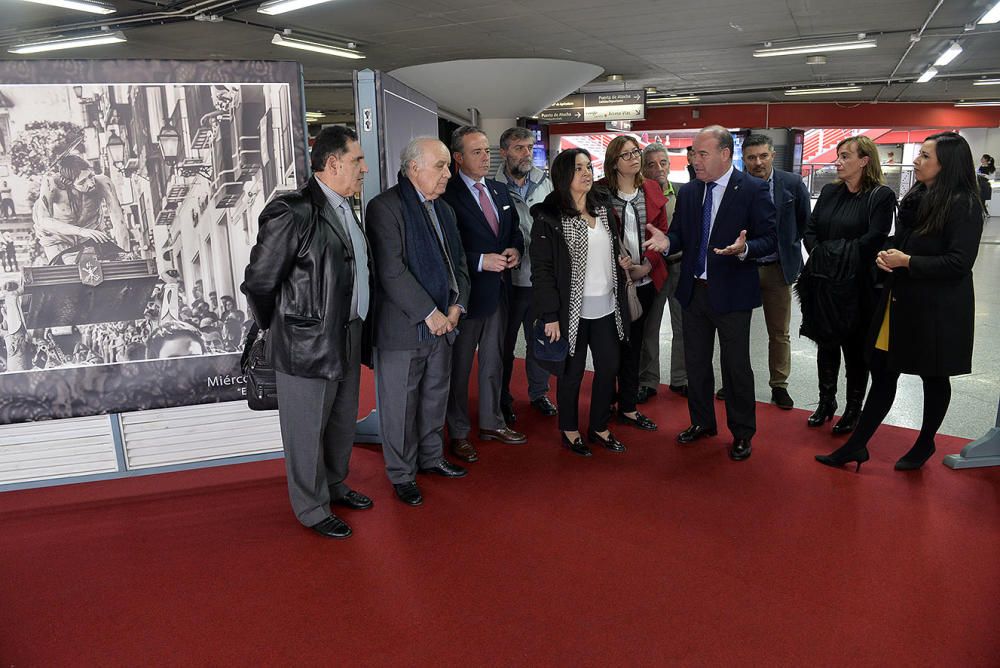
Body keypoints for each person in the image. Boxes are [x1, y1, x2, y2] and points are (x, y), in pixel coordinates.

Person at [816, 132, 984, 471]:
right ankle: (857, 445)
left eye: (925, 156)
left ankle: (925, 442)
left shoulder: (964, 204)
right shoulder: (918, 195)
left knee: (933, 376)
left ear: (946, 165)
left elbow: (959, 262)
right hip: (901, 300)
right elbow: (906, 240)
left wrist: (907, 261)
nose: (917, 161)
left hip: (937, 308)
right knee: (883, 370)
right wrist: (888, 253)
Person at [242, 125, 374, 540]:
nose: (364, 168)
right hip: (306, 343)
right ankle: (312, 508)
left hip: (349, 334)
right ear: (333, 163)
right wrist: (283, 326)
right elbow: (260, 282)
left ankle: (334, 485)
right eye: (357, 160)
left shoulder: (344, 206)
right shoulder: (293, 210)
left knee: (339, 420)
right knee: (305, 429)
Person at [659, 125, 777, 461]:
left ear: (725, 154)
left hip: (733, 293)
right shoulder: (691, 191)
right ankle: (702, 423)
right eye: (693, 153)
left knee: (736, 366)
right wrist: (668, 242)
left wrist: (744, 249)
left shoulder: (752, 190)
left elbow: (769, 239)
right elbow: (679, 233)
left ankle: (742, 433)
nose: (694, 159)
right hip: (694, 291)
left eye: (702, 153)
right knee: (695, 363)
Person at [366, 137, 471, 507]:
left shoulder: (444, 209)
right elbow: (392, 271)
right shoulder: (384, 208)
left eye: (447, 166)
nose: (447, 174)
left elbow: (457, 263)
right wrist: (431, 313)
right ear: (414, 169)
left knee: (434, 397)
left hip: (445, 324)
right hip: (403, 329)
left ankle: (431, 457)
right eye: (439, 166)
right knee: (400, 405)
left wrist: (457, 306)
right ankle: (401, 473)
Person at [530, 148, 631, 456]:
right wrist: (550, 315)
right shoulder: (548, 218)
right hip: (569, 311)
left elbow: (611, 251)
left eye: (588, 167)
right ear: (563, 175)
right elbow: (542, 271)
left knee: (608, 367)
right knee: (571, 373)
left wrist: (621, 260)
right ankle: (570, 429)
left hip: (607, 308)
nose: (587, 173)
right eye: (578, 168)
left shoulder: (602, 209)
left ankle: (599, 426)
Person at [442, 126, 526, 464]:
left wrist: (515, 251)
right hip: (464, 297)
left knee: (494, 361)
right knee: (460, 369)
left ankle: (492, 422)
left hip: (498, 292)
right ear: (458, 158)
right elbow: (447, 248)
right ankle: (459, 433)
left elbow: (515, 231)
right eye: (476, 152)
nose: (485, 157)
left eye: (486, 151)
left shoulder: (498, 190)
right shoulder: (446, 195)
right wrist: (479, 261)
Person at [801, 136, 895, 435]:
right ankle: (826, 402)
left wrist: (833, 254)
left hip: (858, 285)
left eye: (845, 156)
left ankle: (854, 408)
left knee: (856, 350)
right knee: (826, 342)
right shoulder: (829, 191)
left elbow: (874, 239)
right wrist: (823, 254)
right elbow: (811, 229)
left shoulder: (881, 196)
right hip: (824, 282)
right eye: (838, 156)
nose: (837, 162)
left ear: (864, 160)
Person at [598, 135, 669, 432]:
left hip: (644, 281)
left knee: (635, 346)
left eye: (635, 152)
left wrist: (647, 266)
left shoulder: (651, 188)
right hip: (609, 284)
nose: (634, 158)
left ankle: (628, 406)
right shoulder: (599, 192)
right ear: (614, 162)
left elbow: (663, 232)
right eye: (626, 155)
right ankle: (604, 404)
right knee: (610, 348)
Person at [739, 134, 811, 409]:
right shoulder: (736, 185)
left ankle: (779, 385)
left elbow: (804, 222)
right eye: (751, 157)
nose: (758, 162)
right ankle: (735, 382)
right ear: (744, 159)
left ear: (772, 155)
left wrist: (790, 247)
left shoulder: (791, 183)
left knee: (779, 332)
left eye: (763, 156)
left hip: (777, 269)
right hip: (743, 269)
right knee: (736, 330)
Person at [494, 126, 556, 425]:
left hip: (541, 280)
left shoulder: (547, 182)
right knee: (503, 346)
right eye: (519, 148)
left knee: (539, 340)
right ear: (504, 151)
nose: (527, 154)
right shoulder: (490, 185)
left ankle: (539, 393)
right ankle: (501, 398)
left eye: (530, 147)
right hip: (507, 282)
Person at [639, 142, 687, 400]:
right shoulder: (639, 195)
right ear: (643, 168)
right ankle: (648, 380)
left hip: (679, 266)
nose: (658, 168)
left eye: (663, 162)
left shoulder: (683, 193)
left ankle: (681, 379)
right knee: (650, 326)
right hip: (653, 268)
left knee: (683, 326)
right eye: (651, 164)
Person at [31, 155, 129, 263]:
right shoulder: (52, 185)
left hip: (90, 235)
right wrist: (81, 231)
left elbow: (118, 220)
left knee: (109, 267)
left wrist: (125, 253)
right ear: (68, 184)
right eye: (82, 182)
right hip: (59, 239)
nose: (91, 183)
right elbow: (44, 220)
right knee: (70, 272)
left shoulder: (103, 182)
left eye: (90, 176)